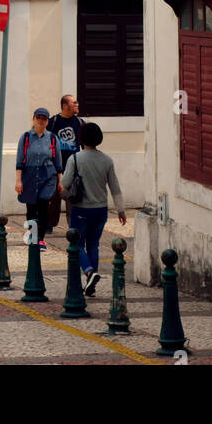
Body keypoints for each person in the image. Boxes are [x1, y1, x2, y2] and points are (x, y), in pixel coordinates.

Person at [61, 121, 127, 294]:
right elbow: (115, 188)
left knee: (76, 243)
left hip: (81, 209)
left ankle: (89, 272)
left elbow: (65, 184)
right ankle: (91, 285)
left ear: (81, 139)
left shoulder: (75, 158)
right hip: (100, 210)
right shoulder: (107, 160)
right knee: (93, 245)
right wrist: (121, 210)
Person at [15, 108, 63, 250]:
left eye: (44, 119)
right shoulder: (26, 138)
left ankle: (40, 238)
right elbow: (20, 161)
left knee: (43, 206)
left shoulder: (53, 138)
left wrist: (60, 181)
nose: (41, 121)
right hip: (29, 175)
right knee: (31, 208)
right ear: (34, 119)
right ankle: (32, 235)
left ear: (47, 121)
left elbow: (58, 162)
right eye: (38, 118)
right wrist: (18, 180)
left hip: (48, 176)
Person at [47, 94, 84, 228]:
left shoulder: (80, 123)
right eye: (74, 102)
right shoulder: (53, 122)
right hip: (55, 168)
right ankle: (49, 224)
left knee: (72, 199)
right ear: (64, 105)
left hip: (73, 168)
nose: (77, 105)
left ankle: (73, 226)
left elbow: (85, 146)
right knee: (53, 199)